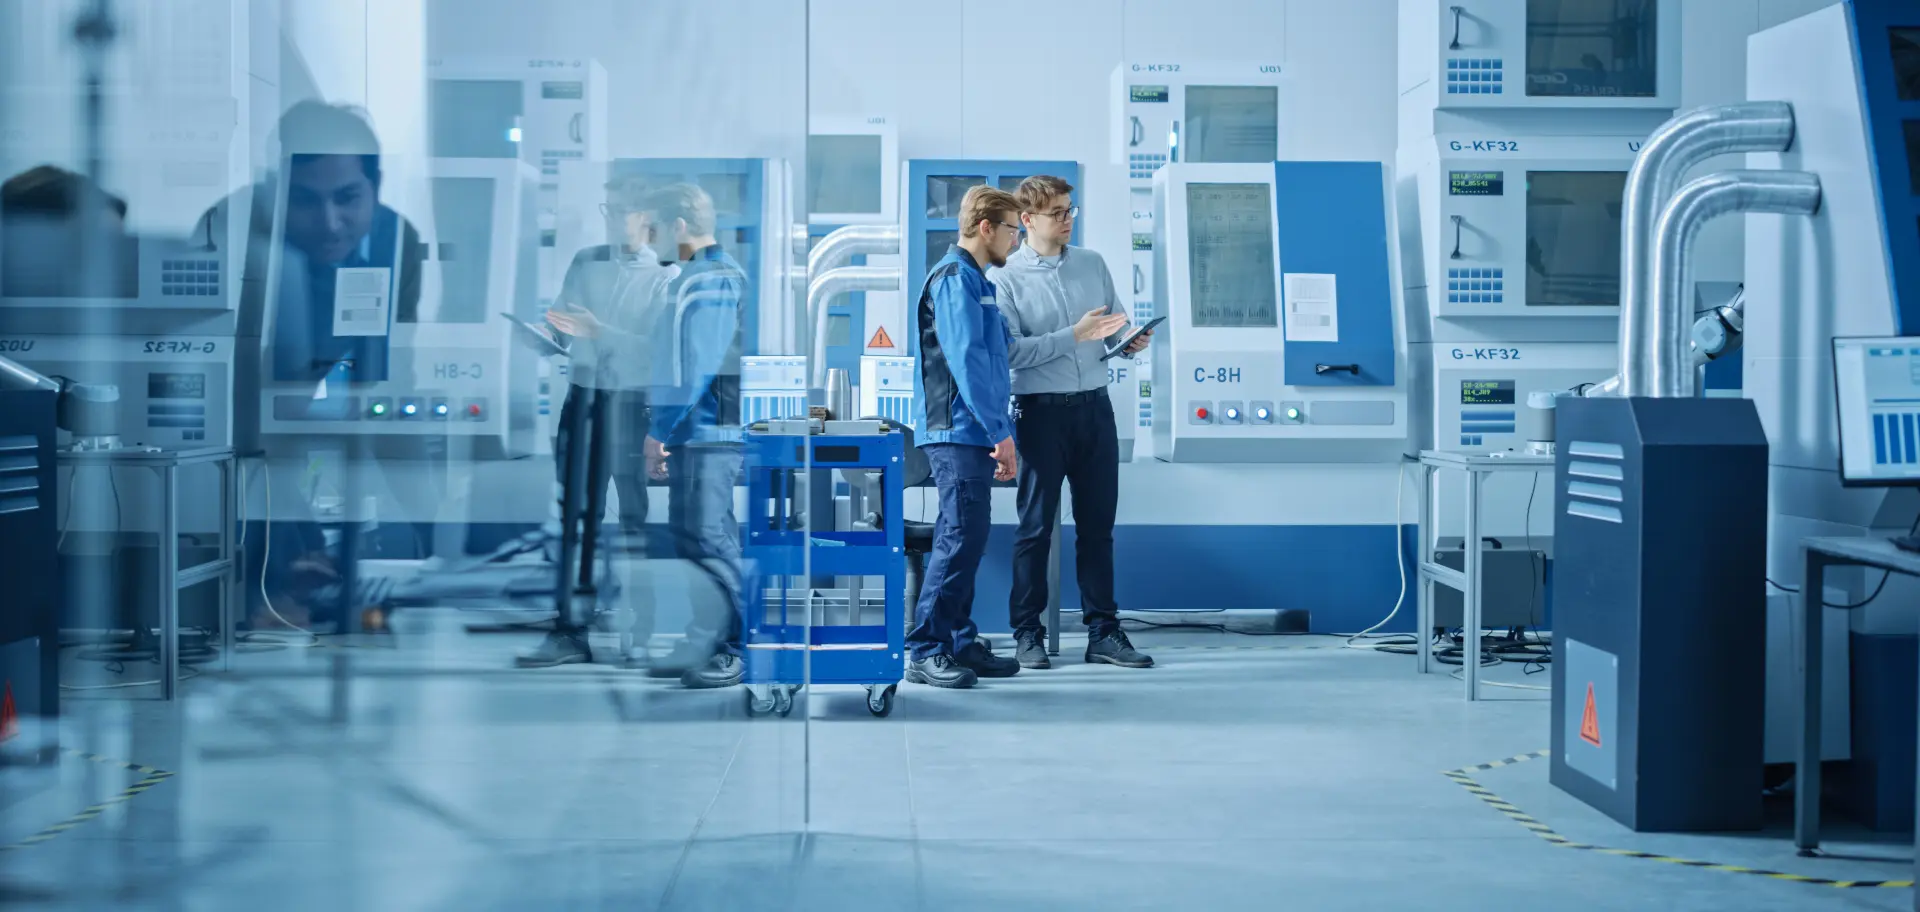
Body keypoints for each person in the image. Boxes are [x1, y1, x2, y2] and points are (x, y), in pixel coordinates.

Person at [990, 175, 1154, 670]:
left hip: (1095, 410)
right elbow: (1011, 353)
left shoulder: (1092, 264)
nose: (1067, 220)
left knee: (1098, 527)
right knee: (1035, 528)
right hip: (1039, 414)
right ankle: (1027, 633)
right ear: (1028, 220)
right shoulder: (1006, 277)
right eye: (1057, 212)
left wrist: (1127, 341)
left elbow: (1112, 328)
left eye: (1070, 210)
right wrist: (1072, 335)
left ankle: (1104, 631)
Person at [515, 176, 677, 667]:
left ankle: (641, 631)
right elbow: (563, 323)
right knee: (575, 520)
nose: (612, 219)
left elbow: (656, 351)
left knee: (631, 521)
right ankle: (571, 631)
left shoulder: (665, 278)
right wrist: (545, 335)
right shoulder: (586, 262)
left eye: (621, 210)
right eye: (608, 208)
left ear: (646, 221)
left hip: (629, 406)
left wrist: (599, 331)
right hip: (582, 400)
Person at [904, 185, 1027, 688]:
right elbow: (968, 363)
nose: (1016, 242)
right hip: (958, 428)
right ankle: (926, 648)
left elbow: (1000, 355)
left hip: (974, 430)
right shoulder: (955, 278)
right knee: (958, 538)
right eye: (1013, 230)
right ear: (986, 228)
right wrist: (1000, 432)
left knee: (970, 539)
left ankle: (956, 640)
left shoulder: (979, 282)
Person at [633, 183, 749, 689]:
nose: (650, 240)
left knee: (710, 537)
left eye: (655, 229)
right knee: (691, 539)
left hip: (708, 433)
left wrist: (661, 430)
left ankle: (736, 645)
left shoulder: (711, 279)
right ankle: (706, 634)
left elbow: (694, 365)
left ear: (679, 227)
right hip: (692, 430)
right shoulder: (693, 278)